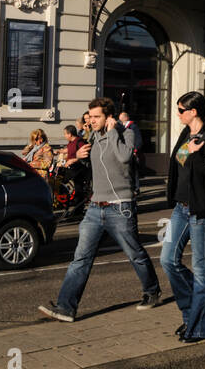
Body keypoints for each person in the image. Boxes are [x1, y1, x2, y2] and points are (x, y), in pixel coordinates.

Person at [39, 98, 161, 322]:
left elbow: (124, 158)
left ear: (109, 117)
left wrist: (114, 130)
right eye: (90, 116)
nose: (91, 120)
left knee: (135, 254)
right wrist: (79, 158)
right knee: (81, 258)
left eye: (96, 117)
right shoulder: (93, 136)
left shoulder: (126, 133)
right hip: (95, 208)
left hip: (120, 207)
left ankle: (152, 291)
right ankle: (66, 307)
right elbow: (96, 167)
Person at [161, 91, 205, 342]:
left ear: (193, 112)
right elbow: (178, 162)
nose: (177, 114)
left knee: (202, 269)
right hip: (181, 208)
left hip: (202, 212)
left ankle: (201, 326)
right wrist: (186, 152)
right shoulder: (185, 134)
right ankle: (190, 314)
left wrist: (196, 155)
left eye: (181, 110)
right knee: (168, 260)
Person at [119, 111, 143, 195]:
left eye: (121, 117)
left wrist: (135, 150)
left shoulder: (133, 127)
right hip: (126, 151)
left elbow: (138, 140)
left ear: (126, 118)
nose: (120, 119)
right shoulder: (123, 127)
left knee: (134, 171)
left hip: (133, 153)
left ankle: (136, 188)